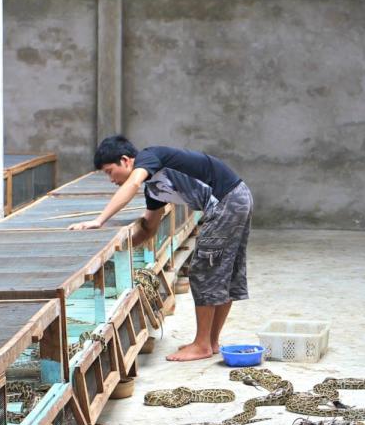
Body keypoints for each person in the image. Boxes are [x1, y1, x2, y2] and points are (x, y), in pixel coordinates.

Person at [69, 136, 253, 362]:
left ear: (126, 160)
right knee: (222, 272)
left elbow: (133, 183)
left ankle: (202, 344)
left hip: (227, 201)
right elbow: (148, 229)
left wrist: (99, 220)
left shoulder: (149, 156)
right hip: (235, 198)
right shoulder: (155, 190)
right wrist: (115, 251)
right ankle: (211, 342)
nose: (110, 179)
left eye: (109, 171)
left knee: (204, 272)